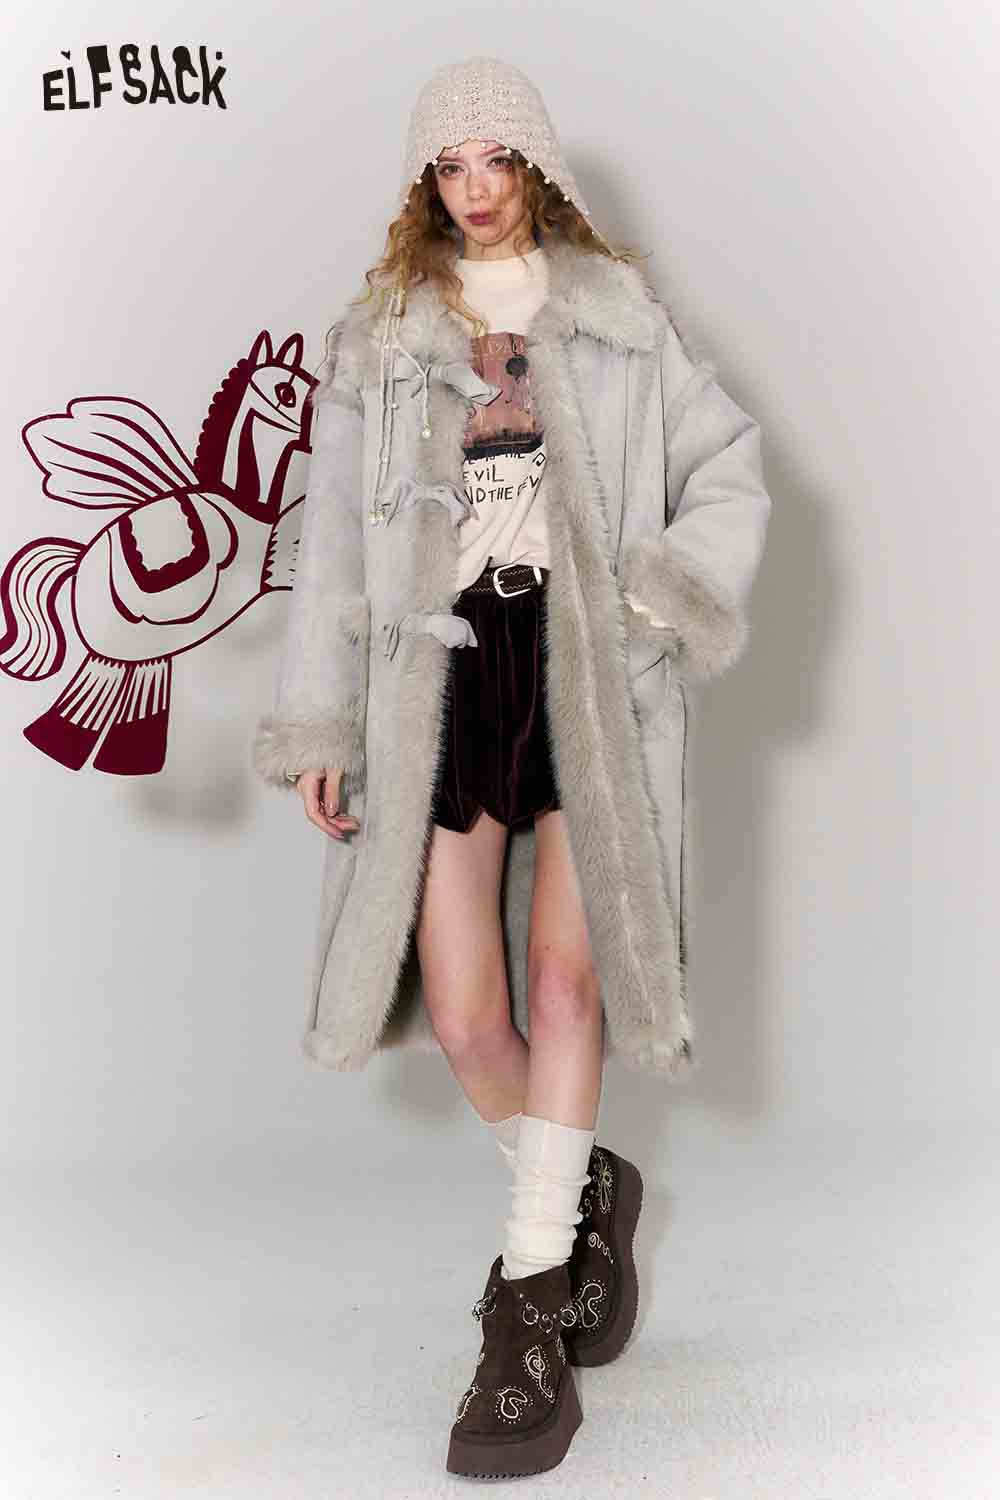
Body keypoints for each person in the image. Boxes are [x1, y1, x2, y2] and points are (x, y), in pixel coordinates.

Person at [253, 55, 772, 1479]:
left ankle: (527, 1313)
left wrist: (659, 602)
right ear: (425, 182)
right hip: (442, 677)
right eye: (450, 165)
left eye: (496, 160)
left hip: (586, 674)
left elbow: (727, 466)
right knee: (469, 1010)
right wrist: (321, 725)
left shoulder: (616, 316)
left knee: (564, 986)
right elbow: (334, 551)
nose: (475, 190)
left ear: (535, 166)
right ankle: (582, 1185)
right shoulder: (383, 335)